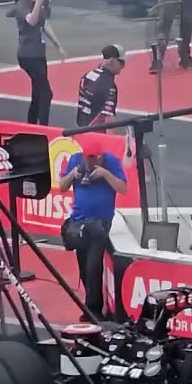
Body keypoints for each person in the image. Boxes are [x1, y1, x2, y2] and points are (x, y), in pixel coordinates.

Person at [59, 133, 128, 321]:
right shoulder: (75, 160)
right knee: (84, 267)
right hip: (79, 220)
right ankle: (92, 305)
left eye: (93, 158)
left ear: (99, 156)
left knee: (93, 266)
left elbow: (123, 188)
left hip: (101, 222)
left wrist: (105, 174)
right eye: (87, 158)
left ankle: (94, 311)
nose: (90, 162)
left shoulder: (111, 162)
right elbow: (62, 186)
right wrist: (73, 173)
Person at [10, 0, 65, 126]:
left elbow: (44, 24)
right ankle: (43, 129)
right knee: (46, 93)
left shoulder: (38, 2)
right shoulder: (22, 4)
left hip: (38, 54)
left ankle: (32, 125)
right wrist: (39, 2)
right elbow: (32, 21)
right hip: (28, 55)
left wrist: (58, 45)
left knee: (38, 93)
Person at [76, 45, 126, 129]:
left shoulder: (87, 75)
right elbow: (108, 120)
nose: (123, 66)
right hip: (95, 132)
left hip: (79, 129)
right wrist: (112, 140)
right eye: (121, 62)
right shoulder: (110, 87)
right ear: (112, 60)